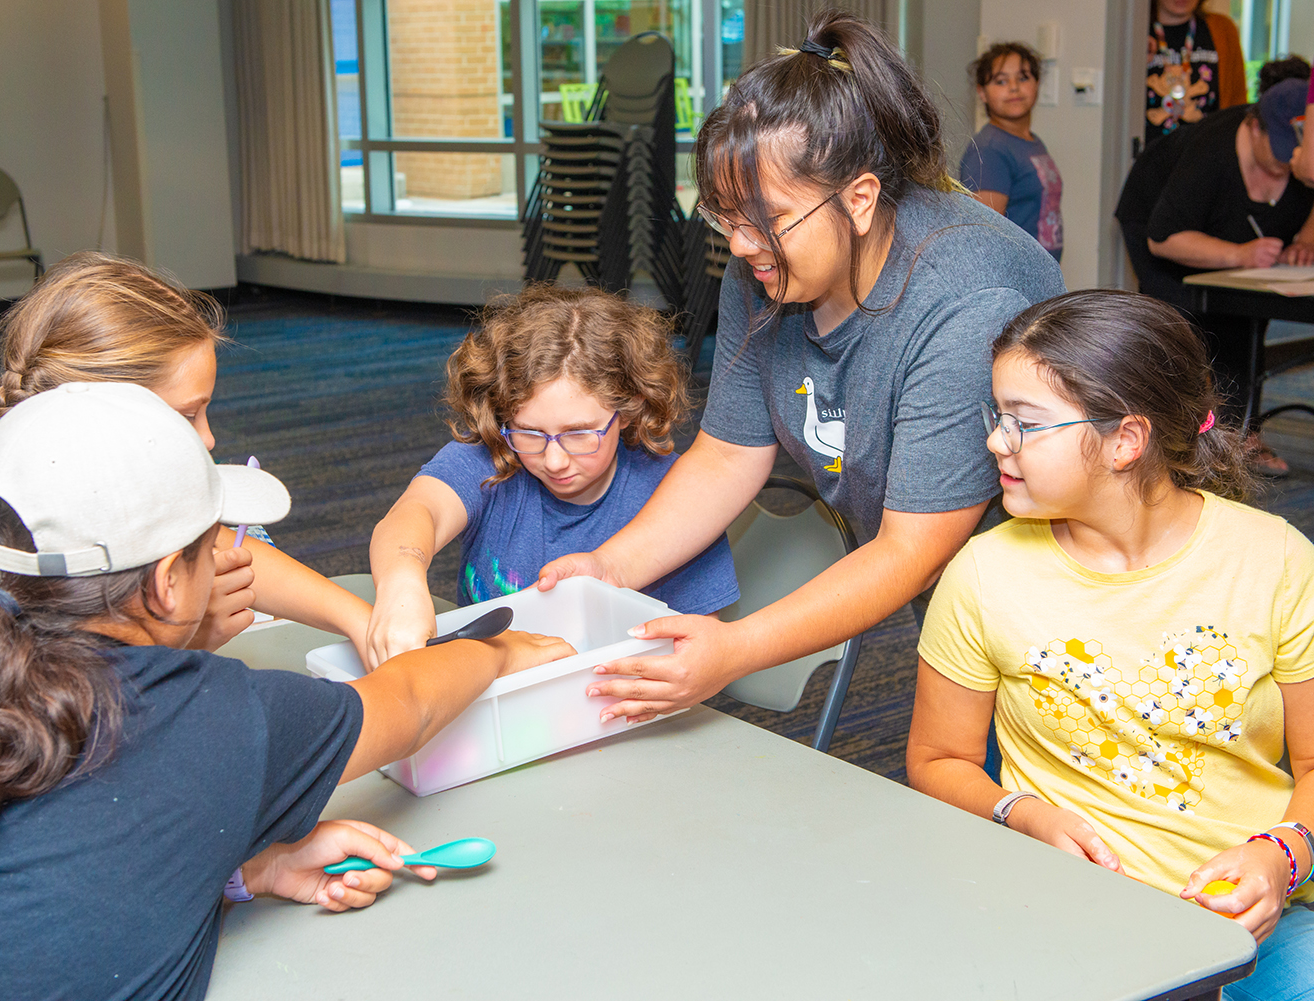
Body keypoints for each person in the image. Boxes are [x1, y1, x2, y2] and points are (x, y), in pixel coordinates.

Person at [0, 382, 572, 1000]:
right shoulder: (201, 711)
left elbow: (4, 896)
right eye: (215, 541)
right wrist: (496, 649)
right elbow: (407, 705)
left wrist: (240, 868)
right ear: (169, 581)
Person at [0, 252, 374, 954]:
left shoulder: (24, 463)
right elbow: (71, 745)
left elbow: (207, 544)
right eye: (188, 415)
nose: (208, 439)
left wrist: (357, 615)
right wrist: (177, 643)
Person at [533, 11, 1065, 725]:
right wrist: (612, 566)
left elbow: (913, 547)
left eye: (767, 218)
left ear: (861, 196)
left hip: (1065, 597)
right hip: (952, 584)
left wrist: (735, 648)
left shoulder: (965, 301)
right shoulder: (765, 270)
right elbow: (727, 454)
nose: (744, 244)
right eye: (726, 218)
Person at [907, 290, 1313, 1001]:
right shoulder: (982, 573)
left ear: (1126, 440)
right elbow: (938, 760)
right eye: (996, 416)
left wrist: (1283, 854)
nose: (997, 440)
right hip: (1068, 914)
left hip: (1256, 917)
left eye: (1025, 423)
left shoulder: (1275, 561)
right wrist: (1021, 812)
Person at [365, 284, 739, 664]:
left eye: (579, 434)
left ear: (629, 409)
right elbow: (415, 513)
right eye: (529, 432)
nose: (555, 460)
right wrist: (403, 581)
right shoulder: (488, 463)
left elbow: (695, 648)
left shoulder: (683, 498)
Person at [1116, 77, 1314, 475]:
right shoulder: (1210, 153)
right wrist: (1238, 253)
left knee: (1241, 327)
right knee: (1179, 330)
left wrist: (1305, 239)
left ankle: (1240, 440)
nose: (1284, 168)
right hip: (1164, 232)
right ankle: (1172, 447)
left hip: (1233, 240)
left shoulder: (1304, 156)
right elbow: (1164, 238)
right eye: (1277, 158)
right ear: (1254, 126)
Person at [960, 41, 1064, 261]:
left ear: (1037, 84)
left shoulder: (1031, 141)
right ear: (982, 93)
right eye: (1001, 81)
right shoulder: (990, 150)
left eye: (1023, 78)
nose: (1014, 87)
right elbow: (983, 236)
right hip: (1014, 282)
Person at [1145, 0, 1246, 146]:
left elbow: (1237, 105)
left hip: (1206, 158)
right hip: (1149, 157)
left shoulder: (1223, 30)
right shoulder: (1136, 30)